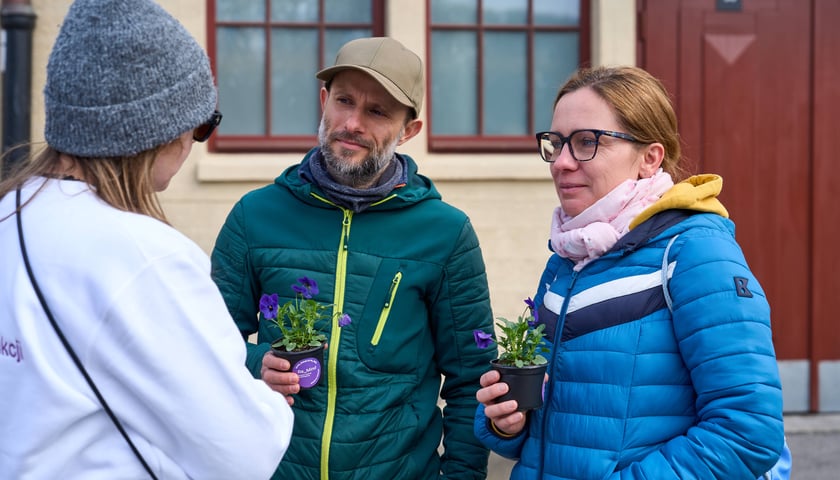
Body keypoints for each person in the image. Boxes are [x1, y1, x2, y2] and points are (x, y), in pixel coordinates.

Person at [0, 0, 293, 478]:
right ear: (156, 129)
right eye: (202, 125)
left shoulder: (11, 217)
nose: (194, 142)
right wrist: (268, 401)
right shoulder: (143, 256)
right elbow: (243, 453)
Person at [473, 66, 788, 479]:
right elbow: (552, 418)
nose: (561, 163)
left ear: (649, 158)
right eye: (556, 143)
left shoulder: (694, 253)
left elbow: (747, 432)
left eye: (587, 142)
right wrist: (506, 422)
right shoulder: (568, 257)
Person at [210, 36, 497, 479]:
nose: (352, 122)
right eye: (344, 100)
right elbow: (206, 342)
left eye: (378, 111)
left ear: (409, 131)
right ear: (324, 102)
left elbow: (471, 380)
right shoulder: (255, 216)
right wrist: (256, 363)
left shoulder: (445, 233)